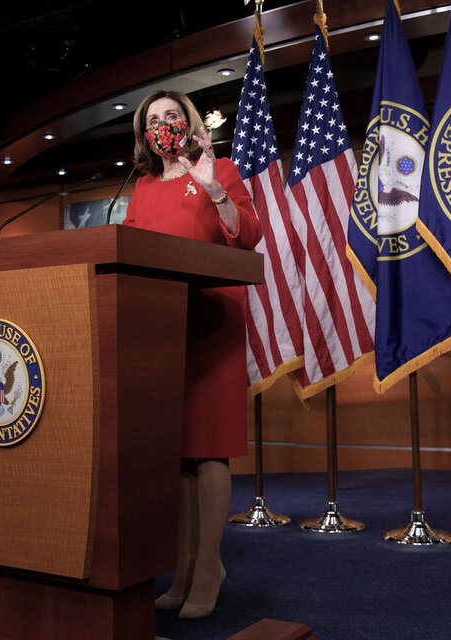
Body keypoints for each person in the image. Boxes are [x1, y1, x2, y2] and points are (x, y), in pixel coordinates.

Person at [122, 90, 262, 619]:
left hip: (212, 320)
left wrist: (214, 192)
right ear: (143, 134)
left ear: (188, 123)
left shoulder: (218, 169)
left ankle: (209, 569)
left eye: (171, 116)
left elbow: (249, 236)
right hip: (161, 328)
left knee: (209, 447)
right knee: (176, 452)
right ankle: (182, 570)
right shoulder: (140, 189)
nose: (163, 125)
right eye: (152, 120)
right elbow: (131, 250)